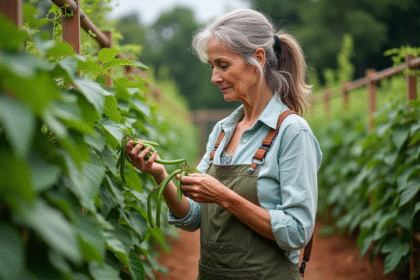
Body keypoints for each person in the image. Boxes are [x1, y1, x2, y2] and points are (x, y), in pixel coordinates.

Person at [126, 8, 322, 280]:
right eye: (212, 67)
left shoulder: (292, 132)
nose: (214, 77)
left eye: (223, 65)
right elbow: (195, 216)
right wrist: (159, 173)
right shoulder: (222, 131)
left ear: (258, 58)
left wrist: (224, 196)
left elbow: (298, 231)